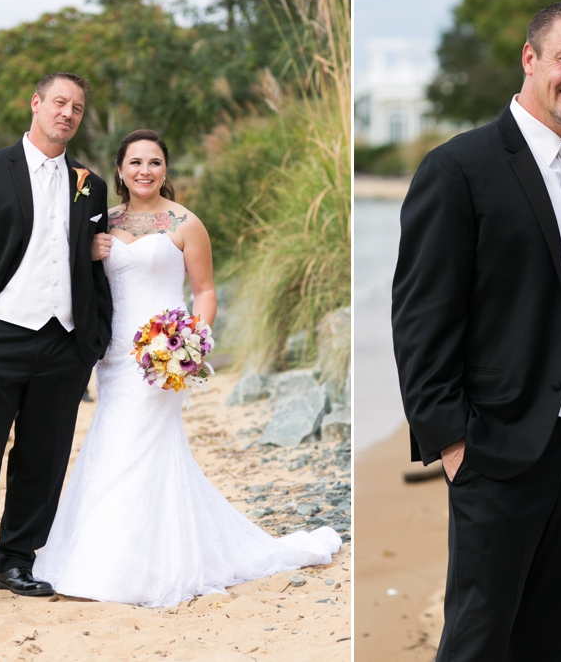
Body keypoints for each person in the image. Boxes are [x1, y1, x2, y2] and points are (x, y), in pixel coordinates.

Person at [391, 1, 561, 661]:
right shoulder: (459, 167)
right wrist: (451, 446)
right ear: (530, 59)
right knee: (478, 636)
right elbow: (421, 317)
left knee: (552, 635)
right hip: (495, 445)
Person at [32, 129, 341, 607]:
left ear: (165, 169)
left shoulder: (185, 223)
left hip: (164, 359)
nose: (144, 171)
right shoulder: (101, 222)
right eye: (135, 162)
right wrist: (89, 252)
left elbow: (205, 292)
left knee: (138, 447)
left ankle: (122, 567)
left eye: (154, 162)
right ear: (119, 170)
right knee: (110, 444)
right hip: (115, 356)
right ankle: (101, 553)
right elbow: (77, 281)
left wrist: (192, 345)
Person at [0, 72, 112, 612]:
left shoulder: (91, 184)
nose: (68, 113)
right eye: (59, 102)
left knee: (44, 455)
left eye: (77, 108)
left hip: (63, 342)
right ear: (35, 103)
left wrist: (93, 339)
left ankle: (15, 559)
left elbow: (94, 268)